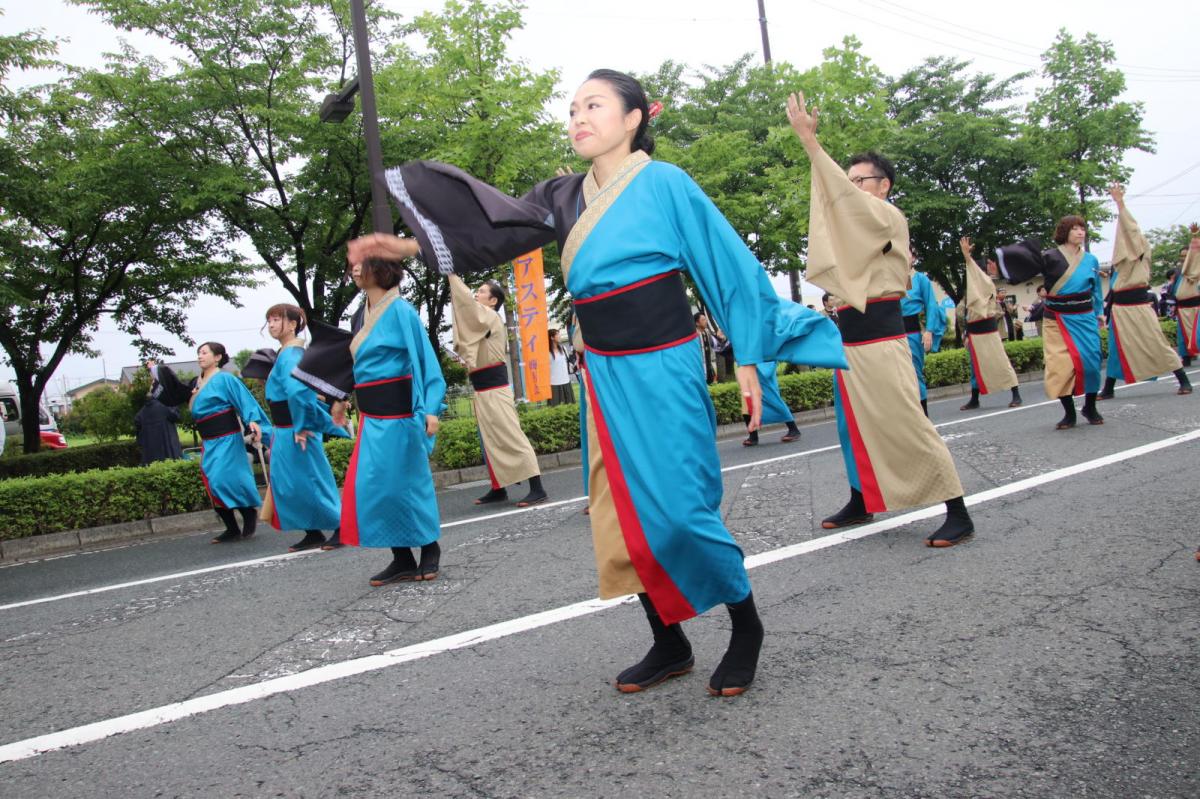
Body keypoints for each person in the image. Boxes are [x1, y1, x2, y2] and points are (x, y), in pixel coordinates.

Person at [354, 69, 847, 697]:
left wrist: (748, 355)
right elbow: (492, 228)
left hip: (664, 364)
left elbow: (724, 263)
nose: (578, 118)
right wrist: (406, 246)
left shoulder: (665, 182)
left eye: (594, 105)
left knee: (681, 509)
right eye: (572, 109)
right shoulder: (562, 196)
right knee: (619, 513)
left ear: (635, 117)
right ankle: (669, 640)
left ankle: (746, 626)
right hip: (603, 373)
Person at [787, 91, 974, 548]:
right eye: (848, 179)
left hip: (882, 338)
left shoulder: (887, 216)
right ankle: (861, 498)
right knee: (852, 427)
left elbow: (844, 202)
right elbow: (836, 208)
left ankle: (958, 512)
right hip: (850, 339)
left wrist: (812, 145)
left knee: (907, 423)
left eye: (860, 180)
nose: (850, 186)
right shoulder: (858, 223)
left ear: (884, 184)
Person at [300, 258, 446, 586]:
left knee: (408, 484)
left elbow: (426, 362)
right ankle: (401, 557)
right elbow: (356, 366)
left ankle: (429, 547)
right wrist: (341, 399)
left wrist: (431, 408)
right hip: (371, 417)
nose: (353, 269)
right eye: (352, 264)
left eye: (361, 264)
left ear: (381, 270)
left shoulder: (401, 311)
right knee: (375, 487)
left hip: (401, 415)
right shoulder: (359, 315)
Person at [993, 216, 1105, 430]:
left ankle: (1090, 407)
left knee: (1091, 363)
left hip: (1084, 316)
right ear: (1064, 232)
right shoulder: (1049, 256)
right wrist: (1001, 266)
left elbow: (1096, 290)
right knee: (1060, 367)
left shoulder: (1091, 260)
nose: (1080, 232)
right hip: (1056, 318)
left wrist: (1099, 314)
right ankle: (1069, 413)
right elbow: (1024, 266)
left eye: (1082, 228)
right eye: (1074, 229)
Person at [448, 274, 548, 507]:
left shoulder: (490, 317)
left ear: (493, 301)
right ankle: (498, 488)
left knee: (512, 437)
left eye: (482, 292)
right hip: (483, 389)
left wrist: (452, 276)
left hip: (495, 389)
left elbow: (467, 307)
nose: (477, 294)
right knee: (490, 440)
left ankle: (538, 488)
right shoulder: (484, 321)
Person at [261, 304, 350, 552]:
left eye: (277, 319)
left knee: (312, 479)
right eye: (269, 320)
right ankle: (312, 531)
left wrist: (301, 426)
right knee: (291, 483)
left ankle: (342, 527)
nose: (271, 325)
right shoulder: (286, 352)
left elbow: (299, 392)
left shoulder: (291, 353)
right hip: (286, 428)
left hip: (295, 428)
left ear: (293, 324)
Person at [1097, 186, 1190, 399]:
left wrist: (1120, 204)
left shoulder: (1140, 252)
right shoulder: (1121, 262)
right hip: (1119, 308)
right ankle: (1109, 388)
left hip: (1138, 306)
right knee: (1116, 347)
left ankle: (1183, 379)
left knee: (1155, 342)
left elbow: (1131, 230)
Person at [190, 342, 266, 543]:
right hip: (208, 441)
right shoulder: (196, 382)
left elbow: (244, 400)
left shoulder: (225, 378)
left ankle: (248, 512)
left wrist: (252, 420)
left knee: (223, 479)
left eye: (204, 352)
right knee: (212, 483)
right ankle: (231, 528)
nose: (200, 356)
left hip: (227, 438)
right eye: (198, 353)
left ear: (217, 357)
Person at [957, 238, 1023, 410]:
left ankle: (1016, 394)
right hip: (974, 330)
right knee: (975, 367)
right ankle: (974, 398)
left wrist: (967, 257)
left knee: (1001, 362)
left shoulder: (986, 283)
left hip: (988, 330)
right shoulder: (973, 289)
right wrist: (966, 334)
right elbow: (966, 314)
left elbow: (974, 272)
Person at [899, 255, 946, 416]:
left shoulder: (921, 279)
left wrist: (929, 331)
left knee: (915, 373)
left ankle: (924, 415)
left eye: (907, 251)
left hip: (912, 332)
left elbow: (931, 305)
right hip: (893, 334)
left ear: (913, 257)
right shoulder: (891, 278)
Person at [740, 361, 802, 446]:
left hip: (763, 366)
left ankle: (794, 429)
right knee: (747, 406)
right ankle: (753, 436)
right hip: (749, 368)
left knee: (775, 402)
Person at [1171, 228, 1200, 366]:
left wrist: (1194, 235)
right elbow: (1174, 289)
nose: (1183, 259)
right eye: (1181, 256)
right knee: (1183, 336)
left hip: (1196, 306)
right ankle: (1186, 357)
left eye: (1186, 256)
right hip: (1182, 308)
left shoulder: (1197, 268)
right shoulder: (1177, 271)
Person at [134, 395, 183, 464]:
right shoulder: (167, 407)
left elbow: (139, 440)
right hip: (170, 457)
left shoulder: (140, 415)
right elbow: (176, 416)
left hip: (151, 461)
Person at [547, 327, 575, 406]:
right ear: (552, 337)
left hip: (566, 381)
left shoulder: (563, 349)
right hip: (554, 383)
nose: (560, 336)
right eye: (557, 335)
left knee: (569, 406)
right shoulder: (547, 352)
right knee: (555, 408)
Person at [694, 312, 718, 384]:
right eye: (703, 320)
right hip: (699, 363)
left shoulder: (707, 332)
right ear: (697, 323)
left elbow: (714, 343)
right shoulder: (694, 334)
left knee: (710, 380)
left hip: (708, 361)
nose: (706, 321)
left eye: (705, 319)